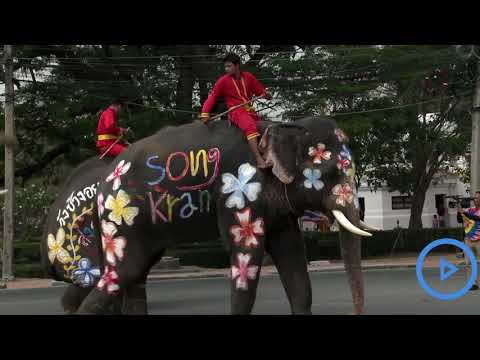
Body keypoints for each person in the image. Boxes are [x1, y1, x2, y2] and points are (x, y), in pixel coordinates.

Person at [200, 53, 272, 168]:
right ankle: (259, 160)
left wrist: (266, 95)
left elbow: (260, 91)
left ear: (237, 66)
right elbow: (213, 97)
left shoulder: (248, 77)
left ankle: (267, 155)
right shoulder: (222, 81)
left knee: (263, 127)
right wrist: (205, 114)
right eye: (225, 67)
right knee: (250, 127)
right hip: (236, 112)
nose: (226, 69)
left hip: (250, 111)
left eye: (229, 66)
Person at [457, 192, 480, 291]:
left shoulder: (471, 212)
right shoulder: (470, 210)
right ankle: (473, 283)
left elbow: (477, 218)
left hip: (479, 240)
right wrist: (459, 211)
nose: (475, 199)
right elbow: (459, 220)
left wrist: (464, 212)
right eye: (474, 198)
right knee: (469, 263)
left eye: (478, 198)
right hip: (468, 240)